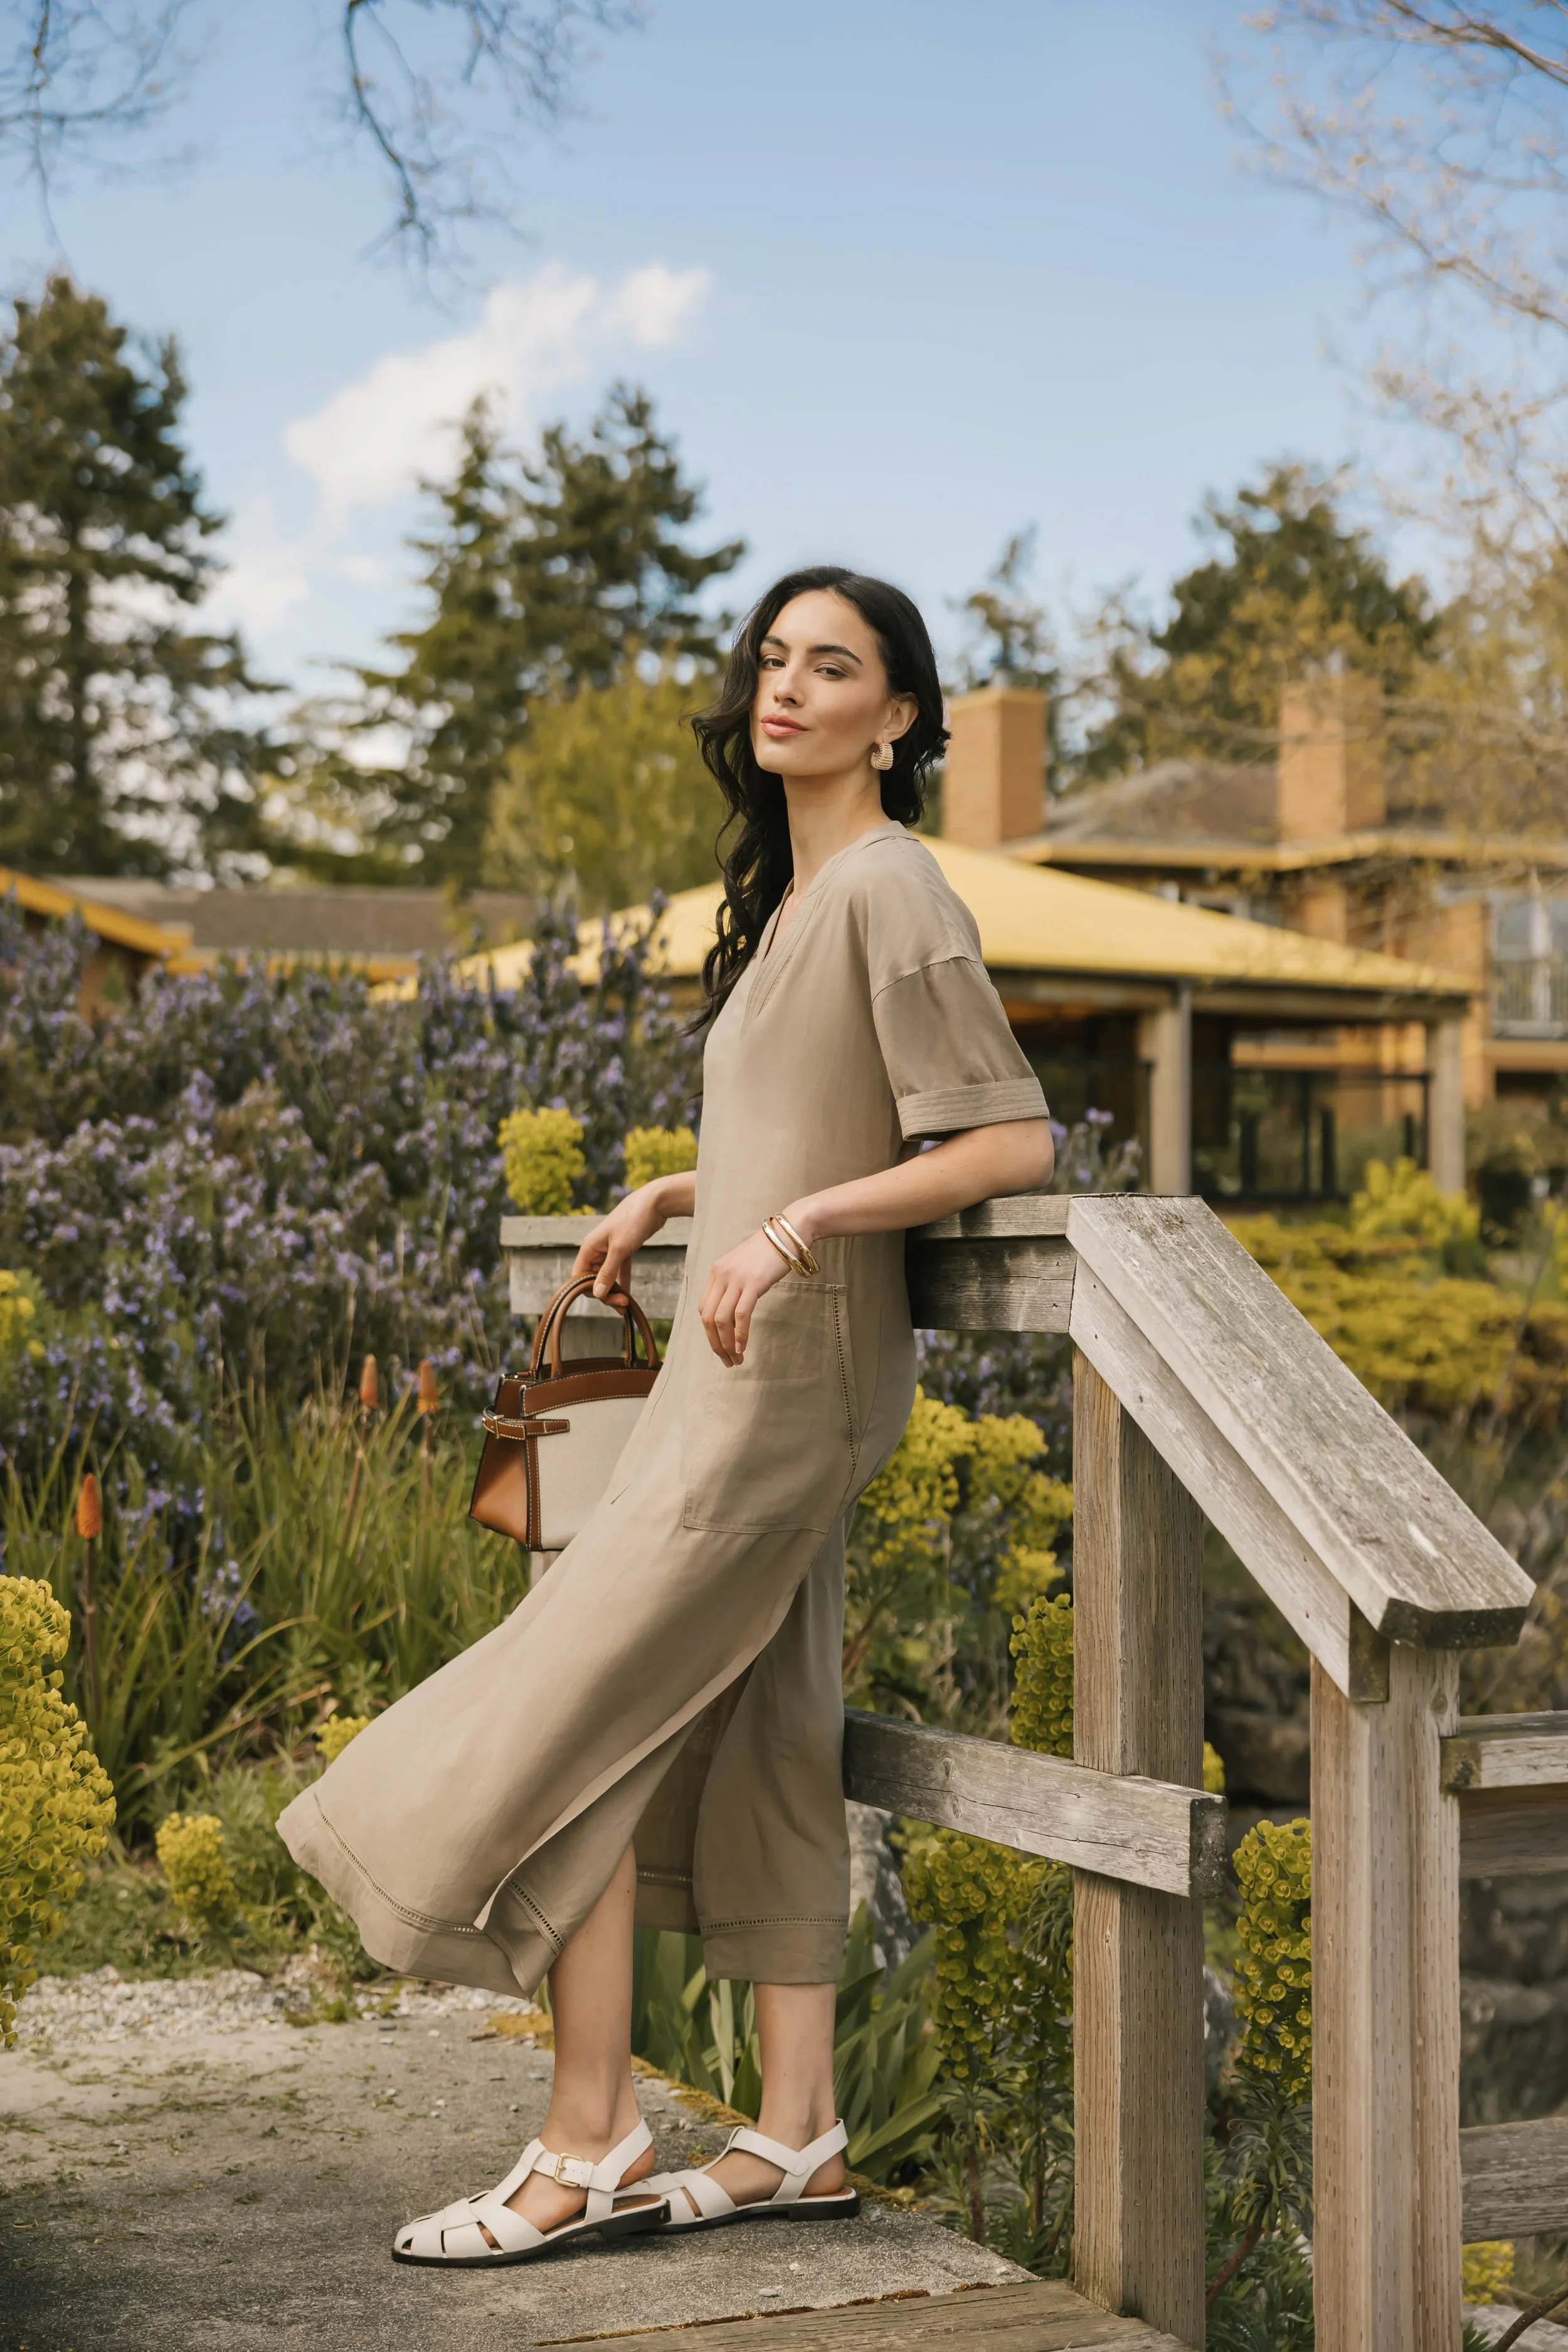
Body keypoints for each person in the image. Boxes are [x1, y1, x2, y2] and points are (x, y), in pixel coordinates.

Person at [278, 564, 1054, 2267]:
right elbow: (811, 1116)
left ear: (898, 715)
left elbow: (1007, 1141)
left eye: (829, 665)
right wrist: (682, 1186)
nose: (785, 686)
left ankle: (589, 2129)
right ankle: (795, 2126)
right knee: (766, 1707)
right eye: (771, 657)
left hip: (793, 1382)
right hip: (738, 1366)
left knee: (583, 1702)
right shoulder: (797, 897)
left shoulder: (895, 889)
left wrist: (791, 1228)